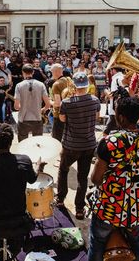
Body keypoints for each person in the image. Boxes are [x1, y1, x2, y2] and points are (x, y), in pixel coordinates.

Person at [88, 97, 139, 261]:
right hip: (136, 207)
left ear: (120, 117)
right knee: (136, 244)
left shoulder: (110, 142)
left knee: (98, 243)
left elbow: (96, 179)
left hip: (108, 207)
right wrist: (138, 179)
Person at [55, 72, 100, 220]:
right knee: (83, 176)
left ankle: (60, 199)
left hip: (71, 145)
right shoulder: (95, 100)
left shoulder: (66, 103)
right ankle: (79, 208)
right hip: (88, 144)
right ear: (87, 85)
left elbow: (62, 119)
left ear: (74, 85)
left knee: (63, 170)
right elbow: (97, 118)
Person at [14, 64, 51, 142]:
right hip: (37, 118)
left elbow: (16, 107)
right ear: (33, 72)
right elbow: (48, 105)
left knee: (22, 145)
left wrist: (23, 106)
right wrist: (42, 110)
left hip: (23, 119)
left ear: (23, 72)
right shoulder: (41, 85)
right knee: (37, 145)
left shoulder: (19, 86)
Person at [50, 64, 75, 142]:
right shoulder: (69, 81)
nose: (51, 74)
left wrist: (49, 101)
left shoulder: (56, 84)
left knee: (57, 139)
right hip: (70, 113)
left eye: (52, 72)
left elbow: (57, 103)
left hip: (59, 115)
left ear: (55, 72)